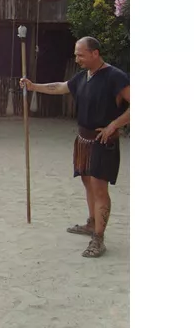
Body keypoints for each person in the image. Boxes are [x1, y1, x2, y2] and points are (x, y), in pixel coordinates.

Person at [20, 36, 129, 258]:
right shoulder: (83, 76)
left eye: (81, 54)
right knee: (88, 183)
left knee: (100, 189)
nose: (77, 58)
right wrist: (34, 86)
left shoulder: (115, 77)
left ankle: (98, 238)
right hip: (83, 140)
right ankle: (91, 223)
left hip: (103, 142)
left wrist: (113, 125)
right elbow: (61, 87)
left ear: (95, 53)